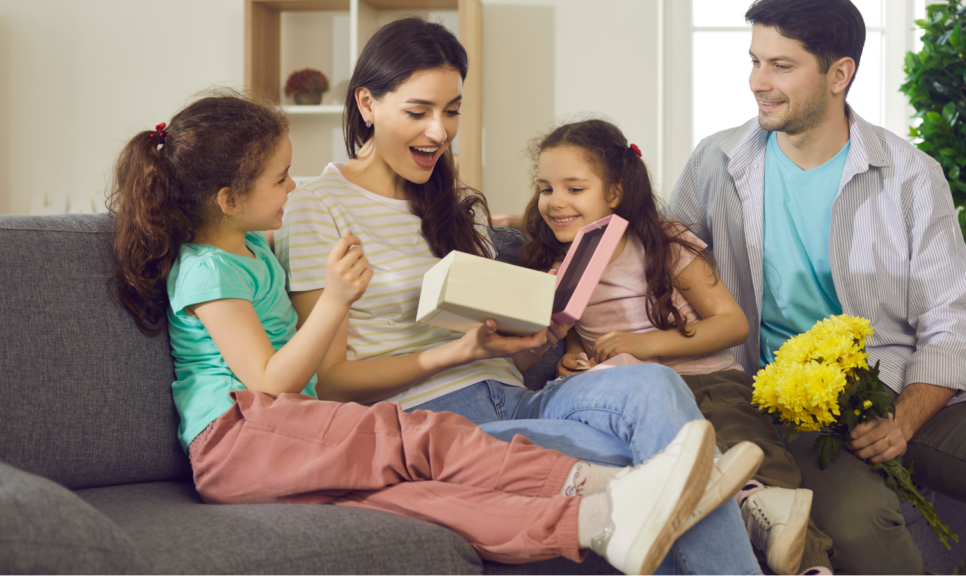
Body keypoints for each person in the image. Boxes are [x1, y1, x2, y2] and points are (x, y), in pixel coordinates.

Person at [103, 91, 739, 576]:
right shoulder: (207, 269)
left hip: (266, 446)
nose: (292, 188)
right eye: (280, 178)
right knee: (417, 437)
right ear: (225, 199)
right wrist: (336, 301)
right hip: (241, 436)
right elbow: (269, 381)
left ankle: (593, 522)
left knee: (423, 501)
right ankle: (610, 488)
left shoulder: (247, 250)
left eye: (453, 108)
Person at [276, 17, 764, 576]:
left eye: (452, 110)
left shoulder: (456, 207)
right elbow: (332, 381)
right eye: (418, 112)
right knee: (652, 463)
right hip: (436, 427)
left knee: (652, 385)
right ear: (367, 103)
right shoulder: (317, 205)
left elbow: (514, 354)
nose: (439, 132)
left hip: (521, 397)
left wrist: (540, 336)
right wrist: (454, 353)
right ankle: (741, 525)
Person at [667, 1, 966, 574]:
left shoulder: (911, 174)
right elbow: (661, 255)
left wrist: (904, 420)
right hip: (790, 408)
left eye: (781, 66)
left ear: (840, 74)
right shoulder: (717, 160)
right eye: (755, 61)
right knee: (860, 529)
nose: (759, 82)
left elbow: (952, 321)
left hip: (906, 384)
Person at [518, 117, 829, 576]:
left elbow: (733, 323)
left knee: (768, 477)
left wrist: (645, 345)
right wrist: (571, 359)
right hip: (641, 404)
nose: (555, 202)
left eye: (574, 188)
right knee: (694, 485)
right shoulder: (555, 264)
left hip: (711, 386)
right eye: (545, 188)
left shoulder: (665, 244)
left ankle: (811, 567)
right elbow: (571, 345)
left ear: (616, 191)